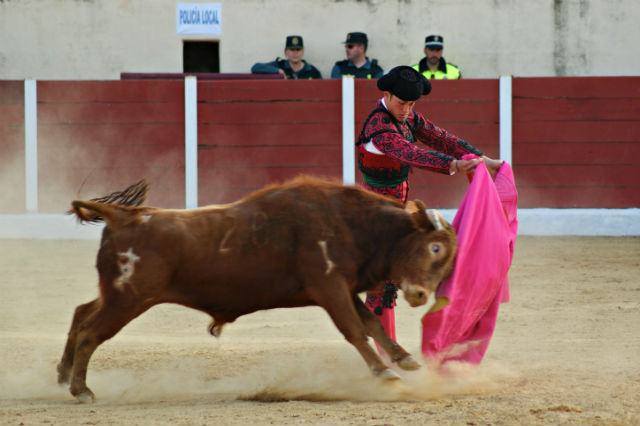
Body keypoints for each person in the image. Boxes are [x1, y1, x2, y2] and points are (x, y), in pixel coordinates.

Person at [356, 65, 502, 343]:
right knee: (383, 285)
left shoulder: (408, 118)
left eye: (411, 104)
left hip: (397, 212)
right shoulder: (379, 127)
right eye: (402, 103)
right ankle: (385, 353)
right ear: (386, 94)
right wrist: (456, 165)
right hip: (374, 216)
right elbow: (411, 154)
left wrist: (483, 159)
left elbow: (439, 137)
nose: (406, 110)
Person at [251, 35, 322, 79]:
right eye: (291, 50)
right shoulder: (279, 65)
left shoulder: (313, 71)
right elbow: (255, 67)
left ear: (303, 51)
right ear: (286, 52)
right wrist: (278, 71)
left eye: (298, 49)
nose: (295, 53)